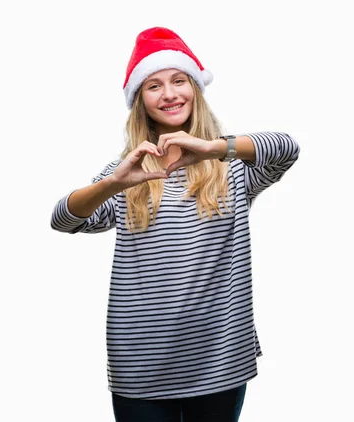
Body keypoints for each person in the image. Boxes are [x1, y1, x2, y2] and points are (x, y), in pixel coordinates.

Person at [50, 26, 300, 422]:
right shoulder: (124, 174)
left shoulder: (232, 169)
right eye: (154, 85)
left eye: (179, 81)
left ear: (195, 89)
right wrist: (113, 182)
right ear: (140, 101)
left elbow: (287, 148)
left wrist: (216, 147)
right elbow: (63, 219)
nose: (169, 94)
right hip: (141, 365)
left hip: (219, 358)